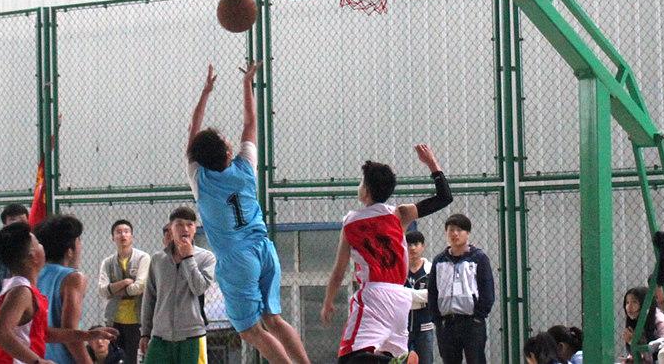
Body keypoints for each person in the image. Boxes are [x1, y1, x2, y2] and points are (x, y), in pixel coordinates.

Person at [185, 63, 310, 364]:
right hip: (264, 249)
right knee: (274, 320)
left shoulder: (199, 178)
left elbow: (192, 132)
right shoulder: (245, 168)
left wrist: (205, 93)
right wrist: (246, 84)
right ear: (228, 153)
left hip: (237, 260)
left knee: (252, 331)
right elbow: (250, 122)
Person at [321, 144, 453, 363]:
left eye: (361, 182)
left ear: (366, 190)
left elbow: (339, 271)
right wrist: (431, 163)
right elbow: (444, 197)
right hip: (400, 297)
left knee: (349, 359)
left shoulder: (351, 223)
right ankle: (395, 361)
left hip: (373, 295)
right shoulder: (400, 214)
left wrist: (328, 300)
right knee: (385, 355)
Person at [0, 221, 117, 364]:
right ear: (33, 256)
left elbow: (43, 333)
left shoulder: (21, 287)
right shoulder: (21, 291)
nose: (43, 247)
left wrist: (87, 335)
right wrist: (38, 361)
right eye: (38, 244)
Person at [139, 207, 216, 364]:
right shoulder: (158, 259)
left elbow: (198, 288)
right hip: (160, 336)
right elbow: (149, 298)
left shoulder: (206, 258)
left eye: (189, 224)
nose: (185, 229)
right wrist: (145, 333)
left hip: (192, 336)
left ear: (195, 229)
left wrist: (188, 258)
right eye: (179, 224)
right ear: (170, 228)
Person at [428, 213, 495, 364]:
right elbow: (432, 292)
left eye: (459, 230)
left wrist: (478, 316)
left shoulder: (479, 258)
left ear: (468, 233)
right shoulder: (439, 261)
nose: (455, 234)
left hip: (472, 323)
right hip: (447, 324)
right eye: (451, 230)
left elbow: (487, 290)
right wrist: (437, 319)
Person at [34, 215, 91, 364]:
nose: (81, 247)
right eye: (79, 241)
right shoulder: (74, 278)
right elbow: (70, 333)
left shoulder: (34, 274)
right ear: (69, 250)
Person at [98, 219, 151, 363]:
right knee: (115, 359)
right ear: (112, 237)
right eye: (119, 232)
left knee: (134, 359)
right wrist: (125, 282)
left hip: (137, 320)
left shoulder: (143, 258)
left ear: (132, 236)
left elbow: (139, 287)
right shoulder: (107, 262)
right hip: (113, 319)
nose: (123, 235)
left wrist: (113, 291)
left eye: (127, 232)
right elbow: (102, 290)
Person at [405, 230, 435, 364]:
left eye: (416, 244)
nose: (412, 248)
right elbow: (395, 295)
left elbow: (432, 295)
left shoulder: (430, 270)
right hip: (402, 328)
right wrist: (420, 300)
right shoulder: (399, 270)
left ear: (423, 246)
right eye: (409, 244)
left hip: (424, 327)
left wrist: (406, 295)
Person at [621, 286, 664, 363]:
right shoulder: (636, 321)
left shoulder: (662, 323)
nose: (629, 307)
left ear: (646, 304)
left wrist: (633, 342)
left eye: (634, 302)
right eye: (627, 302)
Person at [0, 203, 29, 296]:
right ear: (5, 225)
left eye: (22, 223)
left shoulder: (33, 250)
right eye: (14, 223)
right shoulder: (0, 256)